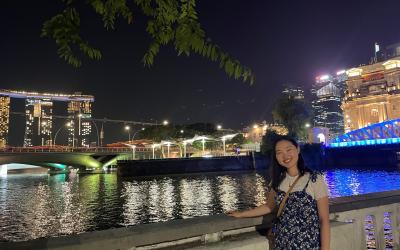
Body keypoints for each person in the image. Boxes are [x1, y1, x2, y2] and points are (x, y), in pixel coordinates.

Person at [228, 136, 330, 250]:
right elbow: (269, 207)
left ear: (298, 149)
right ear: (276, 157)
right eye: (279, 152)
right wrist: (242, 214)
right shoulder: (277, 180)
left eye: (289, 149)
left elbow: (324, 220)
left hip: (307, 244)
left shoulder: (314, 179)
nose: (285, 156)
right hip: (282, 243)